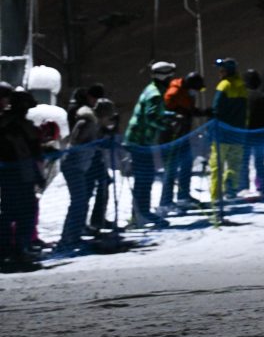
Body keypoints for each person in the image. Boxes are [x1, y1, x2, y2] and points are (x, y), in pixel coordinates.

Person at [57, 98, 117, 249]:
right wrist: (96, 143)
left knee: (81, 202)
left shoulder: (94, 124)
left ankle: (73, 236)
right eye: (109, 116)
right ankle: (67, 238)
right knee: (78, 202)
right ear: (103, 114)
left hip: (81, 166)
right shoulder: (87, 122)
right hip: (73, 166)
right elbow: (76, 143)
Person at [124, 61, 176, 227]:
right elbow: (151, 116)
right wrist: (167, 124)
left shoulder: (152, 89)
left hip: (140, 140)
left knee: (144, 177)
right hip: (139, 141)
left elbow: (155, 112)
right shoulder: (155, 94)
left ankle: (140, 213)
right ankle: (141, 214)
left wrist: (170, 114)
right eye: (170, 76)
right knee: (144, 178)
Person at [0, 86, 44, 268]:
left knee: (8, 213)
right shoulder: (22, 126)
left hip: (7, 176)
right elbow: (30, 152)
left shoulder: (4, 122)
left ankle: (7, 251)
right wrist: (37, 175)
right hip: (21, 176)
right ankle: (19, 250)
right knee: (25, 213)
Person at [161, 72, 207, 211]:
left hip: (184, 135)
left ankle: (183, 196)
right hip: (171, 137)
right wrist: (175, 117)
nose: (196, 93)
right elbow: (163, 112)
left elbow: (190, 111)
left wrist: (204, 112)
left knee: (187, 163)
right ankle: (166, 201)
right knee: (171, 168)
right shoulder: (173, 92)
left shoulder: (188, 93)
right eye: (196, 89)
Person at [209, 58, 247, 201]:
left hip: (222, 134)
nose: (219, 72)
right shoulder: (242, 86)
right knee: (234, 164)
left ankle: (216, 197)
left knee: (216, 165)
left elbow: (216, 109)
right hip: (238, 133)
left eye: (221, 69)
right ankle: (230, 190)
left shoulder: (223, 86)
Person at [242, 69, 264, 197]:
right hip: (260, 133)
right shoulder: (261, 96)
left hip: (243, 133)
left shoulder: (241, 95)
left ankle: (243, 186)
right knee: (259, 161)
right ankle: (261, 186)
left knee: (244, 161)